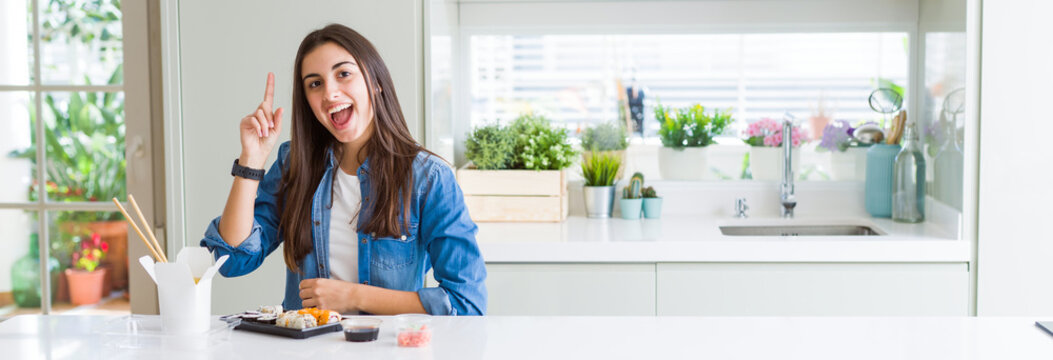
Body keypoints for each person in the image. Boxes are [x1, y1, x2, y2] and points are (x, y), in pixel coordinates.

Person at [200, 24, 486, 316]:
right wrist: (252, 160)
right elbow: (233, 260)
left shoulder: (429, 177)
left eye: (343, 74)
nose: (330, 93)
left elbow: (466, 302)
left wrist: (354, 296)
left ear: (376, 82)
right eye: (315, 83)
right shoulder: (294, 163)